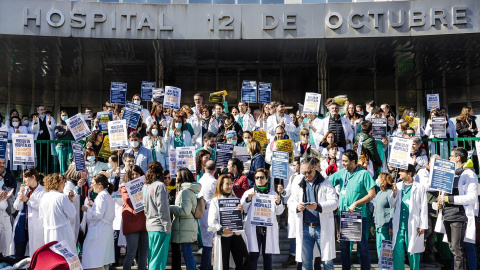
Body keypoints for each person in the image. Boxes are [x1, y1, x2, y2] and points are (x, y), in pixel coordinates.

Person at [328, 150, 376, 270]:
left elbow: (372, 194)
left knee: (362, 246)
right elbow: (326, 183)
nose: (343, 163)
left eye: (345, 161)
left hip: (358, 215)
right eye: (342, 160)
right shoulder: (341, 173)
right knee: (344, 247)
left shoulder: (364, 174)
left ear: (353, 161)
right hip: (343, 215)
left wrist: (356, 203)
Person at [287, 158, 337, 270]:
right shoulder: (299, 183)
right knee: (305, 262)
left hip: (322, 227)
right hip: (305, 227)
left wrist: (318, 207)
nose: (306, 175)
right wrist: (297, 207)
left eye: (309, 171)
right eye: (304, 172)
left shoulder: (325, 182)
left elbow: (334, 202)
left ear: (315, 167)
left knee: (327, 261)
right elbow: (290, 202)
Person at [437, 147, 478, 270]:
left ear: (458, 158)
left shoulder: (469, 175)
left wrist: (449, 199)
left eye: (451, 156)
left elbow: (472, 198)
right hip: (448, 215)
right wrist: (441, 203)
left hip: (459, 216)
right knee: (453, 249)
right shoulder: (450, 174)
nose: (449, 158)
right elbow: (445, 196)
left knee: (458, 249)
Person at [241, 168, 283, 270]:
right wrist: (248, 200)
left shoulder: (273, 194)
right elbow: (243, 209)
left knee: (267, 255)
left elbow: (279, 211)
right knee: (253, 255)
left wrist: (278, 202)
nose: (259, 179)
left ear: (267, 179)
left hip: (267, 228)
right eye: (257, 177)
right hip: (253, 228)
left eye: (262, 177)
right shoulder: (249, 193)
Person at [208, 174, 250, 270]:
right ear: (221, 185)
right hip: (223, 236)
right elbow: (211, 221)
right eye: (227, 184)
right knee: (223, 265)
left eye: (231, 184)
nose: (230, 186)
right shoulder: (215, 201)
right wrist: (221, 229)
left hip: (236, 234)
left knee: (244, 261)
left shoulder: (235, 200)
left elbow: (239, 219)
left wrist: (241, 211)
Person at [390, 164, 428, 270]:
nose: (399, 173)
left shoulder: (419, 187)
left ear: (409, 174)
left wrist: (422, 225)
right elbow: (391, 204)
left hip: (413, 224)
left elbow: (423, 207)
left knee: (413, 252)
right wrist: (393, 194)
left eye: (402, 171)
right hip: (399, 225)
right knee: (397, 251)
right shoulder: (397, 186)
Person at [81, 174, 115, 270]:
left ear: (99, 184)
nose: (91, 185)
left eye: (92, 183)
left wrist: (87, 209)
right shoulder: (105, 195)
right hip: (104, 230)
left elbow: (98, 215)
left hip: (99, 231)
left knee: (94, 259)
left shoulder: (102, 196)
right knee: (101, 260)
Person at [170, 168, 201, 270]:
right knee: (187, 254)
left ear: (182, 177)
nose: (176, 178)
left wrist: (169, 207)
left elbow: (185, 211)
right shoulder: (187, 190)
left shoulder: (185, 192)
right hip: (184, 227)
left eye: (177, 175)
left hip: (184, 227)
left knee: (187, 254)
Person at [143, 161, 172, 270]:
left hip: (150, 226)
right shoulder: (160, 186)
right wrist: (167, 227)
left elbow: (145, 208)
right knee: (159, 261)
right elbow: (163, 208)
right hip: (160, 227)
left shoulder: (145, 187)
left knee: (152, 258)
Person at [39, 173, 77, 251]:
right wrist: (71, 201)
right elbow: (72, 214)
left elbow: (41, 216)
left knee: (54, 257)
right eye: (62, 182)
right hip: (62, 233)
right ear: (58, 183)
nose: (64, 185)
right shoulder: (61, 197)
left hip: (48, 233)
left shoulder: (44, 197)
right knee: (67, 258)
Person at [12, 169, 45, 257]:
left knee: (34, 253)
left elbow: (41, 207)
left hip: (35, 225)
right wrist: (21, 195)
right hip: (22, 225)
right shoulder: (25, 190)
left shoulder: (43, 191)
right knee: (19, 252)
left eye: (25, 178)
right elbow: (16, 207)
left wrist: (28, 200)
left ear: (33, 177)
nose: (24, 181)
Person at [414, 154, 441, 263]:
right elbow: (425, 186)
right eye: (436, 163)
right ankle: (415, 251)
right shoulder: (422, 172)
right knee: (427, 230)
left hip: (437, 207)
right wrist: (440, 182)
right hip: (426, 207)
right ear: (429, 164)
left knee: (434, 233)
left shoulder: (440, 174)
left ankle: (427, 255)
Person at [120, 165, 148, 270]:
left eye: (137, 174)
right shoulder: (124, 187)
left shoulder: (146, 186)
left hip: (144, 222)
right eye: (132, 174)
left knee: (144, 254)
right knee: (131, 253)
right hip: (132, 223)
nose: (135, 176)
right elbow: (130, 202)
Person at [370, 173, 395, 268]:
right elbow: (375, 210)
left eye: (379, 178)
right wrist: (372, 224)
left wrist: (391, 226)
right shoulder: (379, 193)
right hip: (378, 227)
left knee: (386, 254)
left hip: (386, 227)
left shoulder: (390, 193)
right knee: (379, 251)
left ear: (384, 180)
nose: (377, 180)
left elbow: (392, 209)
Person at [198, 161, 218, 270]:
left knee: (207, 243)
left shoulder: (201, 180)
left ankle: (205, 266)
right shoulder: (214, 182)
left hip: (202, 213)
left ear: (204, 168)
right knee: (209, 244)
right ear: (215, 170)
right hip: (210, 214)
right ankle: (207, 266)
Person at [30, 106, 56, 172]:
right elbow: (33, 130)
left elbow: (53, 128)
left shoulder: (50, 118)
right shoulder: (35, 119)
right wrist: (35, 123)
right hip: (39, 143)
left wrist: (49, 122)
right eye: (41, 110)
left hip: (48, 142)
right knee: (40, 159)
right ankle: (40, 175)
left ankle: (49, 175)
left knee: (48, 159)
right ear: (38, 111)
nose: (43, 111)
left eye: (44, 109)